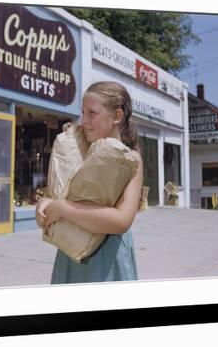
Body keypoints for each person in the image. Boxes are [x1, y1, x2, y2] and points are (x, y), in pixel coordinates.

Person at [35, 81, 143, 283]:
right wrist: (45, 203)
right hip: (70, 251)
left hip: (107, 259)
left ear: (117, 116)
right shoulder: (77, 149)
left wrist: (63, 209)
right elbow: (59, 193)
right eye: (83, 113)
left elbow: (121, 221)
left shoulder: (130, 159)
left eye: (92, 113)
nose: (84, 120)